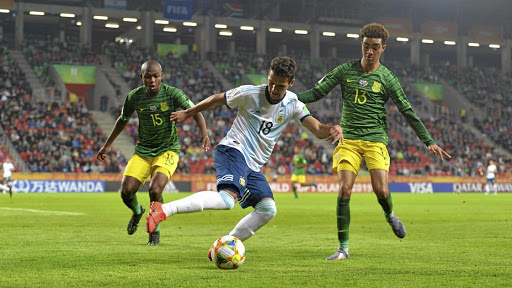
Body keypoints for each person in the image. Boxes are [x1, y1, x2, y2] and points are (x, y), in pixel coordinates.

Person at [145, 56, 343, 254]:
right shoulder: (250, 93)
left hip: (253, 166)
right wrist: (188, 112)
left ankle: (225, 245)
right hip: (233, 150)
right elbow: (216, 99)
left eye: (280, 86)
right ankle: (162, 210)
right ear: (268, 76)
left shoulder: (293, 104)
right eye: (271, 83)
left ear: (290, 83)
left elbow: (317, 129)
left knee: (267, 210)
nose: (273, 89)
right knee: (227, 200)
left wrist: (333, 129)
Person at [297, 23, 451, 260]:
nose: (370, 51)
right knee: (345, 189)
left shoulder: (387, 78)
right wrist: (284, 96)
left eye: (375, 47)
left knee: (380, 190)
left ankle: (389, 215)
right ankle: (343, 248)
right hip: (348, 139)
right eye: (366, 46)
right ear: (362, 45)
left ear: (383, 48)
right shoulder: (345, 71)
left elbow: (407, 110)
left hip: (375, 139)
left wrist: (428, 141)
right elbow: (314, 94)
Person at [97, 60, 210, 246]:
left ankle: (154, 232)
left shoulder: (172, 93)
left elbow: (196, 111)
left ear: (161, 76)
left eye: (155, 76)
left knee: (155, 189)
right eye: (148, 76)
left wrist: (204, 133)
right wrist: (108, 145)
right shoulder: (134, 97)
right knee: (126, 191)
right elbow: (122, 119)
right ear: (141, 77)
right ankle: (137, 211)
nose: (152, 79)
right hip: (143, 151)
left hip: (167, 150)